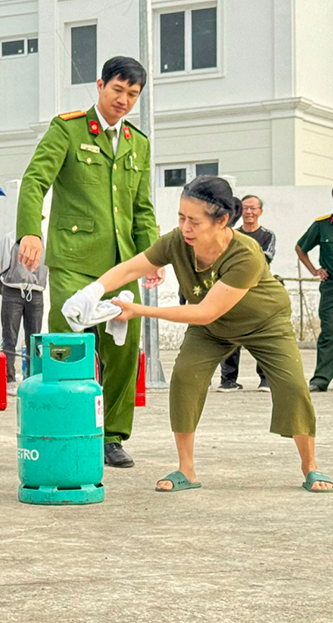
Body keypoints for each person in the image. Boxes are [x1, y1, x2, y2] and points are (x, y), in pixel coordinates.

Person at [77, 176, 331, 493]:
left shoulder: (246, 253)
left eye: (193, 221)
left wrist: (140, 310)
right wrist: (93, 290)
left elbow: (205, 311)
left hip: (264, 322)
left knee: (293, 386)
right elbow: (132, 267)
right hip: (213, 330)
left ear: (222, 220)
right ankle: (187, 470)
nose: (185, 227)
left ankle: (310, 466)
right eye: (181, 218)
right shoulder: (177, 242)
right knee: (184, 378)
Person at [16, 56, 160, 468]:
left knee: (124, 348)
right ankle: (65, 425)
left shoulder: (138, 143)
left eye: (133, 94)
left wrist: (152, 256)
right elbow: (35, 180)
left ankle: (111, 434)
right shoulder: (69, 128)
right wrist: (31, 231)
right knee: (69, 342)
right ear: (100, 86)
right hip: (74, 260)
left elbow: (143, 208)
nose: (124, 100)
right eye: (118, 90)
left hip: (122, 265)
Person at [218, 194, 275, 392]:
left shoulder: (267, 236)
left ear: (260, 211)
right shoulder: (231, 234)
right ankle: (228, 379)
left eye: (253, 208)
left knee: (262, 335)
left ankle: (265, 379)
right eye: (245, 208)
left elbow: (263, 261)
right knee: (230, 335)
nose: (249, 212)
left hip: (258, 292)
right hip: (233, 290)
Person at [0, 229, 48, 392]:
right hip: (13, 290)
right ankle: (9, 378)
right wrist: (4, 290)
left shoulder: (45, 240)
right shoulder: (9, 238)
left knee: (35, 337)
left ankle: (33, 377)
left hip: (36, 291)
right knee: (9, 336)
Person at [295, 188, 333, 393]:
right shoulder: (323, 225)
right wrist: (314, 270)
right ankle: (321, 379)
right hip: (331, 288)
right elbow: (301, 247)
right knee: (329, 331)